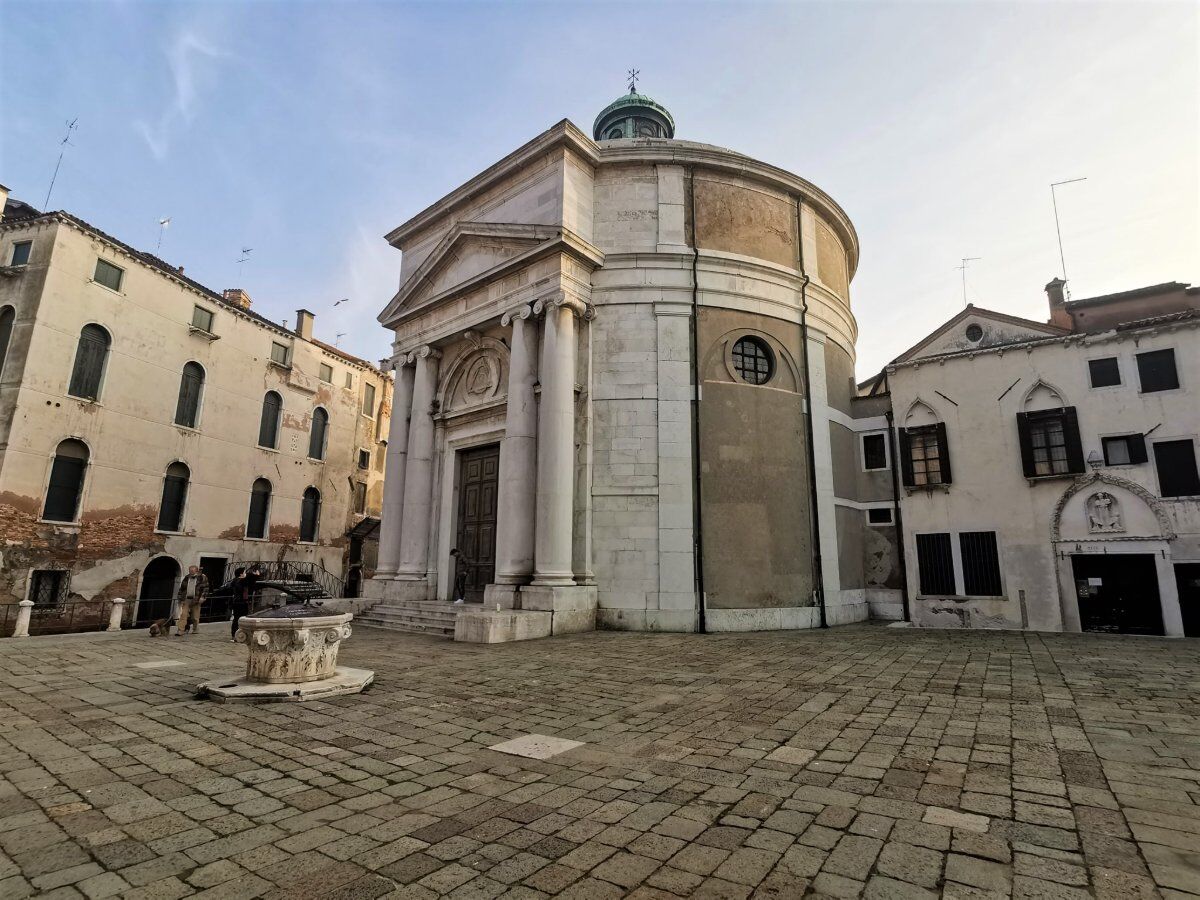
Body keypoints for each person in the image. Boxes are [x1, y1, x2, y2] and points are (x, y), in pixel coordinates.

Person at [175, 565, 208, 636]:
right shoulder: (187, 577)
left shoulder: (202, 577)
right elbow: (182, 588)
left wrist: (202, 597)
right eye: (190, 571)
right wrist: (180, 597)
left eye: (192, 571)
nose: (191, 572)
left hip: (196, 599)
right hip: (186, 598)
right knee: (183, 614)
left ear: (196, 571)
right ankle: (180, 630)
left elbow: (206, 588)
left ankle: (195, 629)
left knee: (195, 616)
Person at [228, 567, 248, 643]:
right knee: (239, 619)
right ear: (241, 574)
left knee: (237, 619)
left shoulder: (235, 581)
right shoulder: (240, 581)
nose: (245, 573)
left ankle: (236, 635)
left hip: (238, 602)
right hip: (240, 602)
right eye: (244, 572)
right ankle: (236, 635)